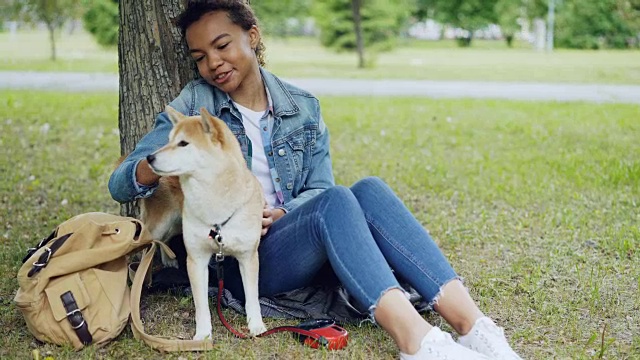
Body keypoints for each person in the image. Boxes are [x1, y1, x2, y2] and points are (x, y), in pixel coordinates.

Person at [109, 1, 523, 359]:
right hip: (237, 258)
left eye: (222, 46)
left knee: (367, 190)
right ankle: (415, 341)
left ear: (251, 37)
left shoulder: (301, 107)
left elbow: (321, 189)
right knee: (339, 201)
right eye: (200, 56)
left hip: (288, 234)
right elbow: (122, 184)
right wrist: (159, 163)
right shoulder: (194, 108)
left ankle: (474, 327)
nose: (213, 63)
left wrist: (282, 212)